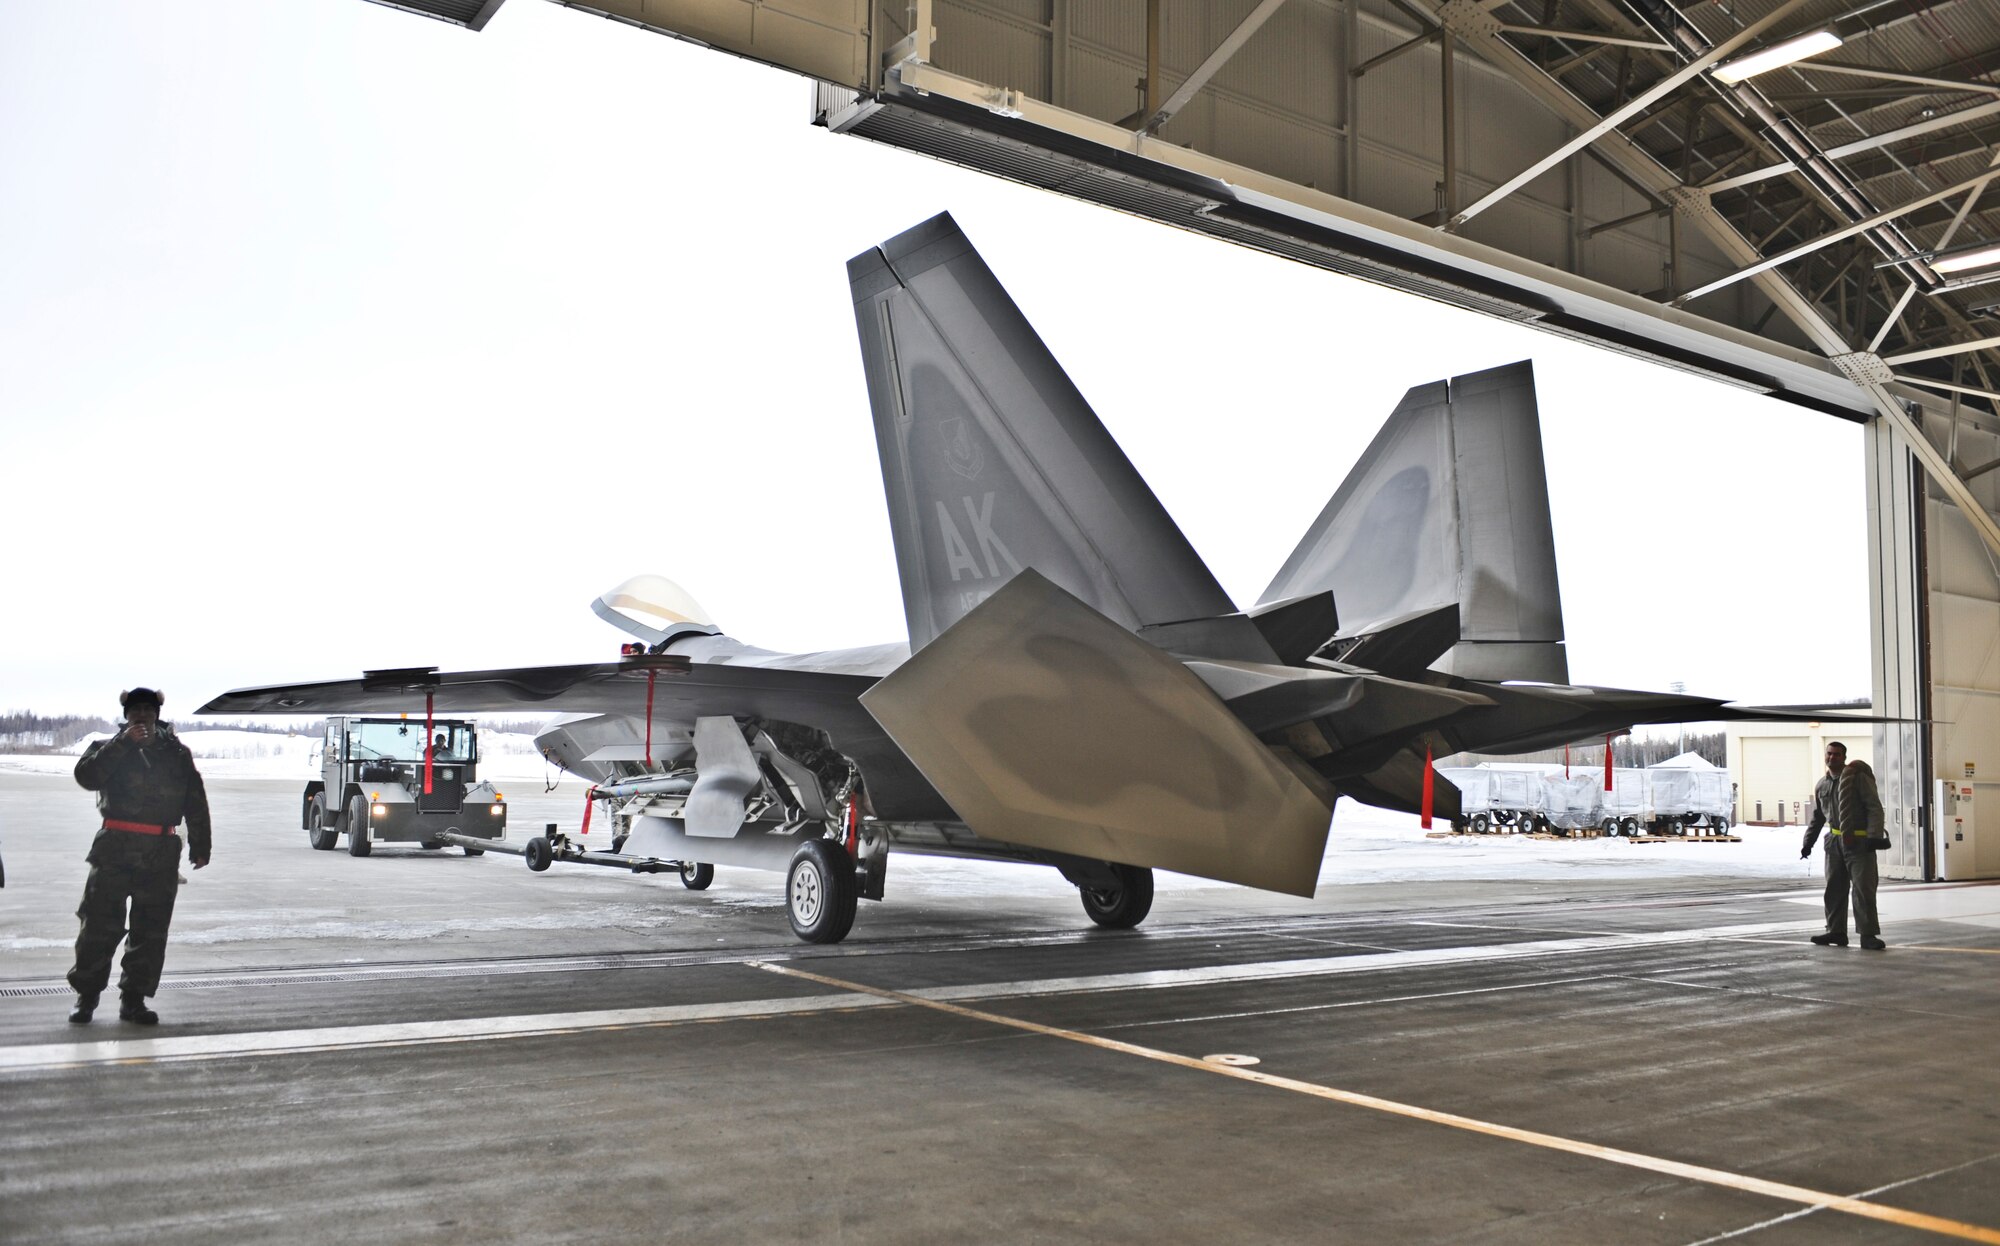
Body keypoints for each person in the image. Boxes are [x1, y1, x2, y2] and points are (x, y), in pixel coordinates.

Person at [66, 688, 212, 1024]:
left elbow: (195, 799)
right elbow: (86, 777)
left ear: (157, 714)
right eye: (136, 710)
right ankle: (86, 998)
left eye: (148, 709)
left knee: (150, 930)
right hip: (114, 848)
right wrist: (124, 744)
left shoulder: (176, 753)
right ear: (126, 715)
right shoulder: (107, 748)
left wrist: (200, 846)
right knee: (98, 926)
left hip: (160, 853)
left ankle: (133, 1001)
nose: (142, 715)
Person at [1801, 740, 1886, 951]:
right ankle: (1836, 931)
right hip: (1834, 843)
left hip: (1859, 843)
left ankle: (1868, 935)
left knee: (1863, 890)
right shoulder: (1822, 784)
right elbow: (1818, 817)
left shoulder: (1858, 779)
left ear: (1844, 757)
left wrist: (1873, 837)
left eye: (1837, 754)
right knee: (1834, 890)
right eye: (1829, 754)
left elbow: (1874, 807)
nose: (1832, 757)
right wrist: (1808, 842)